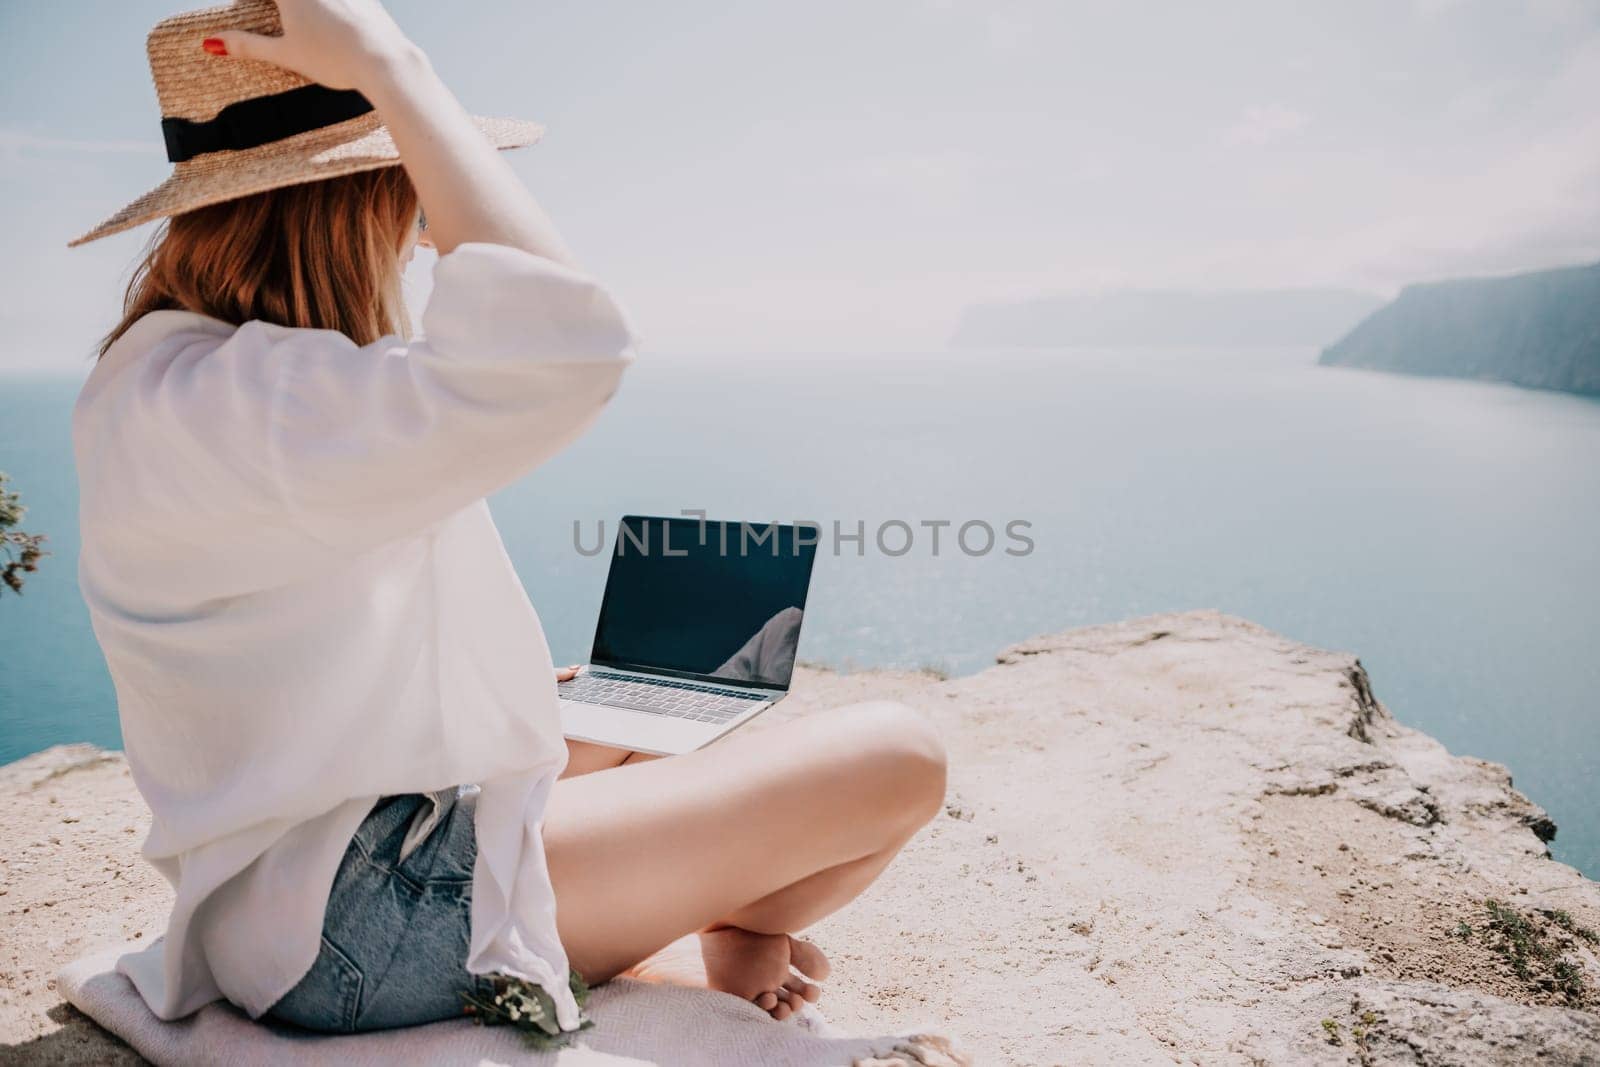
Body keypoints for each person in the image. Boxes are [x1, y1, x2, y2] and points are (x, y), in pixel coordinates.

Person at [70, 0, 947, 1038]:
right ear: (354, 201)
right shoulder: (246, 403)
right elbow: (562, 343)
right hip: (366, 920)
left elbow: (288, 640)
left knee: (662, 702)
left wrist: (514, 700)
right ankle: (720, 907)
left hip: (319, 872)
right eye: (405, 194)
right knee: (900, 757)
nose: (420, 233)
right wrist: (396, 74)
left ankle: (688, 884)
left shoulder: (186, 376)